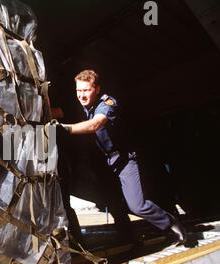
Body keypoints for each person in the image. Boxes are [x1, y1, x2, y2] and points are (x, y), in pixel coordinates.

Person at [55, 69, 188, 245]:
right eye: (78, 91)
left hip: (124, 160)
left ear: (97, 89)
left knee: (137, 205)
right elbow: (58, 111)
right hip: (104, 162)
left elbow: (94, 125)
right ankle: (129, 240)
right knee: (112, 202)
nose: (81, 95)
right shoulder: (83, 104)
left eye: (86, 90)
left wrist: (63, 128)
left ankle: (171, 223)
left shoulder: (108, 103)